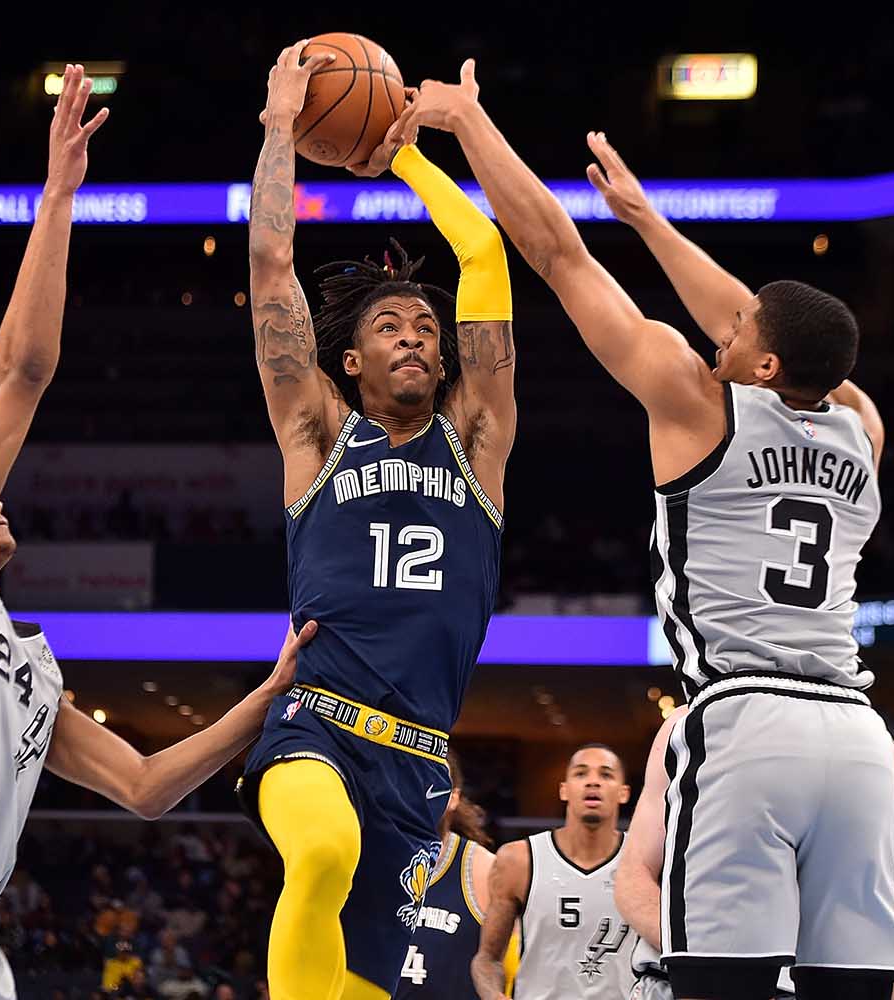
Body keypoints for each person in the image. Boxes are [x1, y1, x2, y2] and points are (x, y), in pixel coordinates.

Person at [0, 65, 318, 1000]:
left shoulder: (29, 670)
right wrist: (57, 199)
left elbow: (149, 787)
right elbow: (22, 375)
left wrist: (271, 690)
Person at [403, 61, 894, 1000]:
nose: (725, 317)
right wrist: (646, 218)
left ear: (761, 357)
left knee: (719, 984)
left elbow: (556, 254)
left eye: (742, 320)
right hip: (859, 738)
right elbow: (779, 336)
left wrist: (469, 124)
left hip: (746, 721)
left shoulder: (696, 401)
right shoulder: (862, 429)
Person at [237, 40, 517, 1000]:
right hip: (313, 725)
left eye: (427, 330)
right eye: (388, 328)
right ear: (348, 362)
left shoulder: (476, 441)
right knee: (317, 855)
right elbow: (272, 262)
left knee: (368, 984)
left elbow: (481, 250)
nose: (413, 337)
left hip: (419, 766)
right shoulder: (317, 435)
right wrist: (281, 131)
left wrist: (404, 151)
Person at [619, 708, 894, 1000]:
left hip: (797, 985)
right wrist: (729, 965)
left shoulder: (877, 747)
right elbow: (633, 878)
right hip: (687, 978)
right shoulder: (692, 721)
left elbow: (869, 900)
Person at [471, 745, 633, 1000]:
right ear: (564, 790)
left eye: (606, 775)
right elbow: (487, 960)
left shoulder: (645, 861)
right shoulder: (518, 860)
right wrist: (493, 995)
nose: (593, 782)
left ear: (624, 793)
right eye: (581, 774)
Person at [396, 749, 516, 999]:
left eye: (433, 779)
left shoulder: (482, 868)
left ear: (453, 798)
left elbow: (514, 961)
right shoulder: (370, 859)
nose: (423, 789)